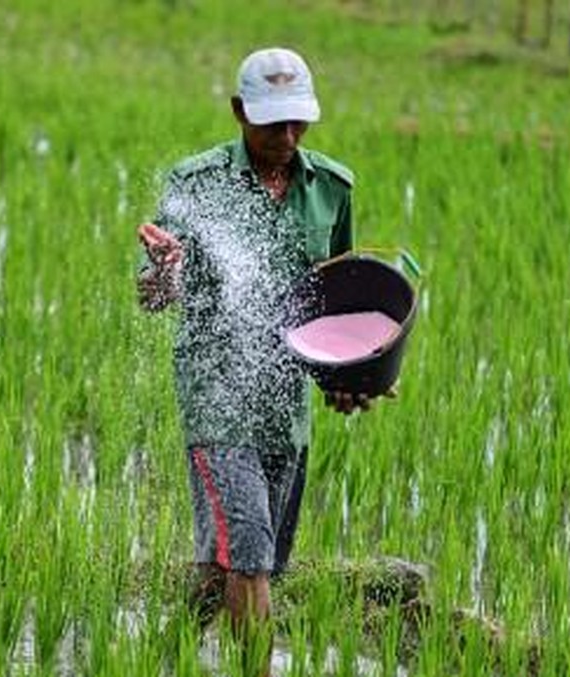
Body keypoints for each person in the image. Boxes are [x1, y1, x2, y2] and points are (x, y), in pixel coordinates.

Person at [136, 47, 389, 674]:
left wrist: (351, 376)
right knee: (249, 555)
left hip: (285, 400)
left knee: (236, 563)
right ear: (239, 111)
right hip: (215, 389)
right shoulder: (196, 184)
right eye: (273, 122)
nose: (288, 136)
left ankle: (148, 662)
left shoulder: (331, 188)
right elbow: (155, 294)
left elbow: (339, 303)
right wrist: (163, 276)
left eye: (298, 121)